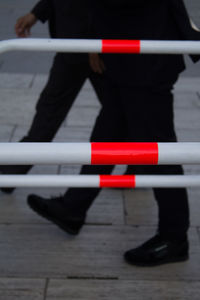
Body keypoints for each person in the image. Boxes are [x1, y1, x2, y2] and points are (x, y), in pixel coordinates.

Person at [27, 0, 200, 266]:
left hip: (145, 57)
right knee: (108, 132)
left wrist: (98, 39)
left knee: (157, 150)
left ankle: (174, 237)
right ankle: (73, 207)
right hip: (128, 53)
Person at [0, 0, 106, 193]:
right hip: (76, 40)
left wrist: (96, 39)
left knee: (51, 110)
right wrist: (38, 13)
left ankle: (13, 170)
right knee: (120, 108)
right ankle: (12, 170)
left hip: (88, 41)